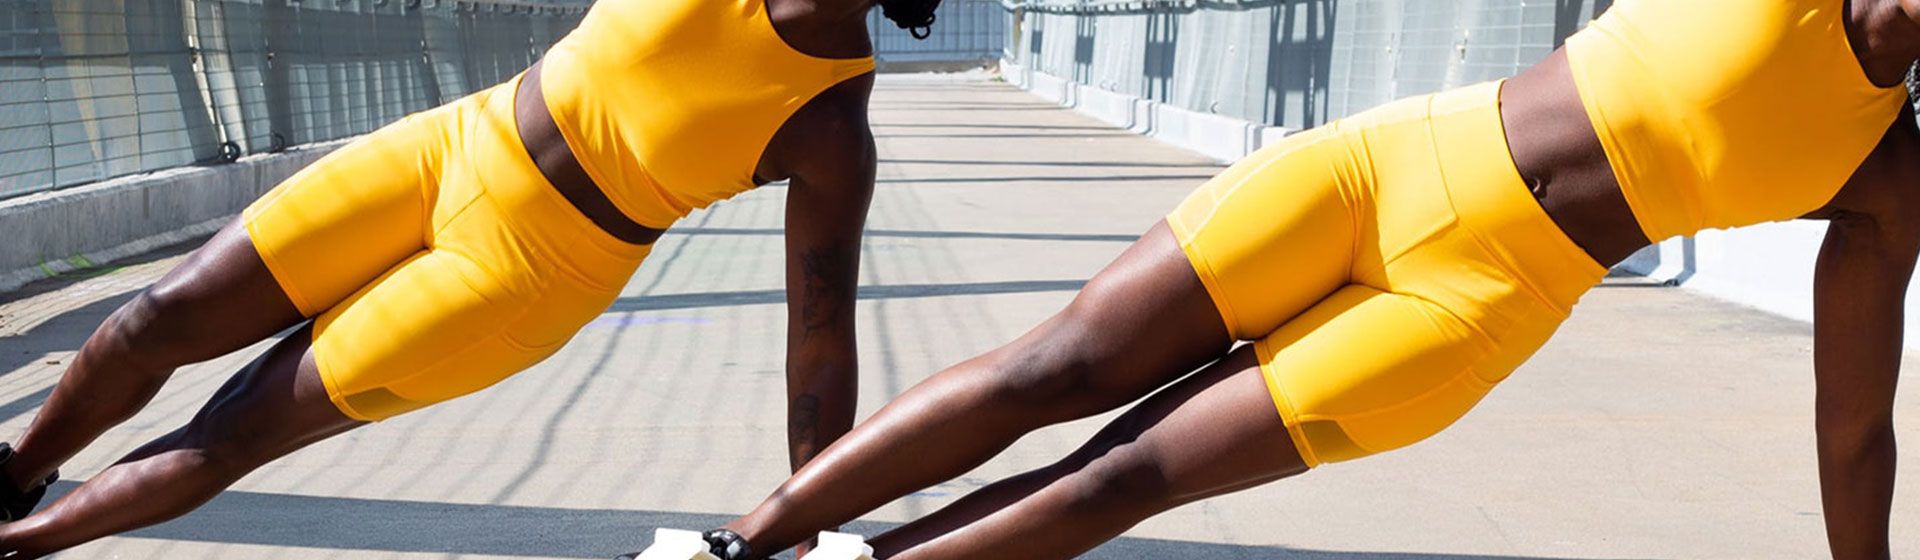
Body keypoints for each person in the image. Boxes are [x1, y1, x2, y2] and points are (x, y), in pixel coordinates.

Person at [660, 1, 1920, 558]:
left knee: (1122, 473)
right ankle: (738, 542)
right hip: (1387, 162)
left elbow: (1853, 420)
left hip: (1472, 304)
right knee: (1053, 367)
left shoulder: (1884, 166)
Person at [0, 0, 943, 555]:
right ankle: (14, 475)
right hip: (449, 146)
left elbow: (818, 340)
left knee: (233, 426)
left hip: (521, 275)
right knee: (150, 322)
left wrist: (807, 520)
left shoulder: (830, 123)